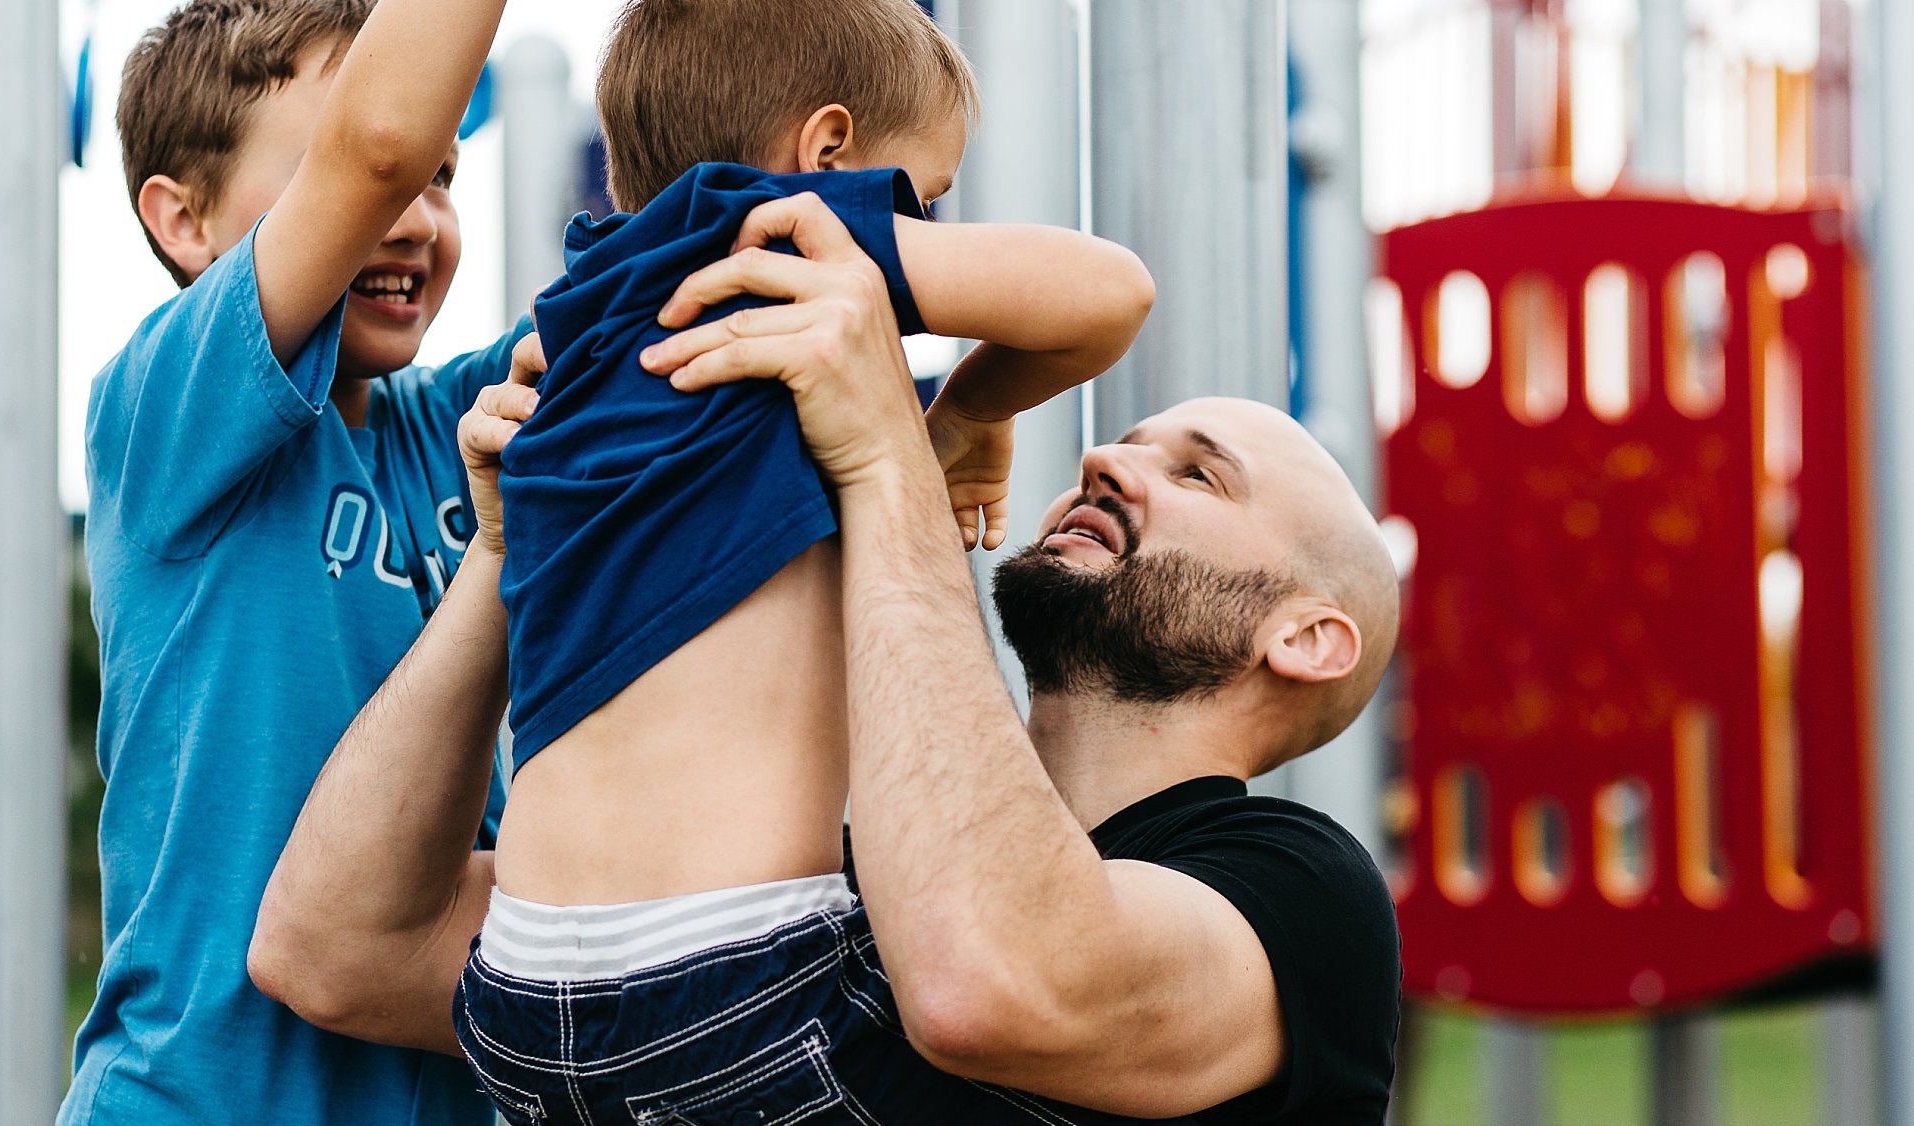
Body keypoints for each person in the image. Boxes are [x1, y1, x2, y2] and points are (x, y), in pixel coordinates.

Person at [252, 196, 1404, 1121]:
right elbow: (339, 947)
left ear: (1303, 636)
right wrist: (499, 562)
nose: (1104, 456)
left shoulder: (1301, 894)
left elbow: (990, 980)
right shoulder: (830, 864)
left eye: (1197, 474)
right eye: (1128, 440)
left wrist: (881, 452)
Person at [62, 0, 786, 1120]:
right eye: (366, 176)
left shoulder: (454, 422)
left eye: (448, 179)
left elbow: (715, 253)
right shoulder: (164, 411)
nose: (418, 211)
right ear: (184, 221)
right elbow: (379, 144)